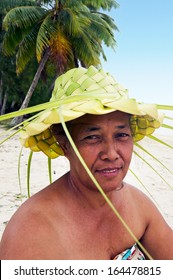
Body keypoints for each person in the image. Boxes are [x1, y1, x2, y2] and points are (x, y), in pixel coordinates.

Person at [0, 66, 173, 260]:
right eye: (92, 137)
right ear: (65, 144)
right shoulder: (31, 232)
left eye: (121, 135)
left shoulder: (138, 205)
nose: (111, 153)